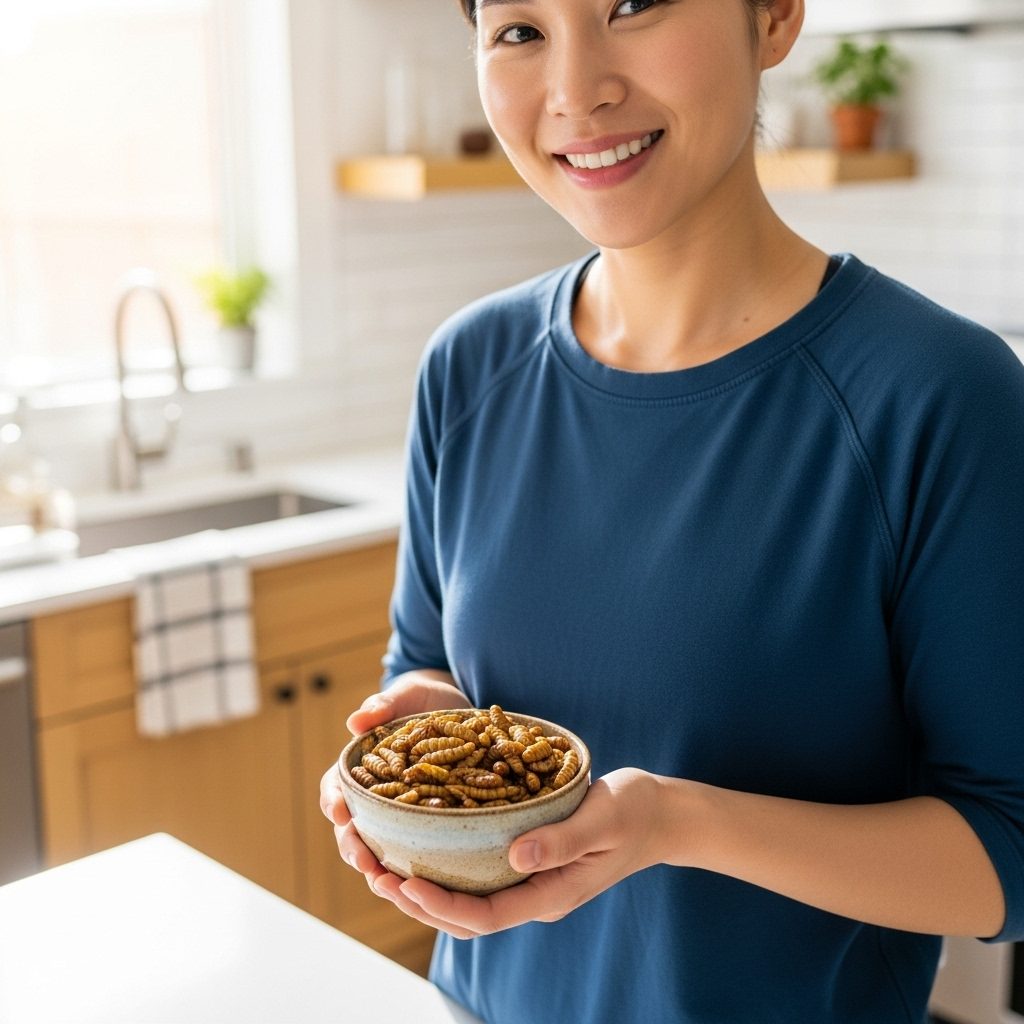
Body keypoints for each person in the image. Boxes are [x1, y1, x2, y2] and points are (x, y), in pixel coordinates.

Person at [320, 0, 1024, 1020]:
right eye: (518, 30)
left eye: (633, 4)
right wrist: (415, 742)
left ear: (774, 15)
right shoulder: (466, 367)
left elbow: (1008, 847)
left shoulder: (938, 396)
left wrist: (675, 823)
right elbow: (425, 668)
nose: (575, 90)